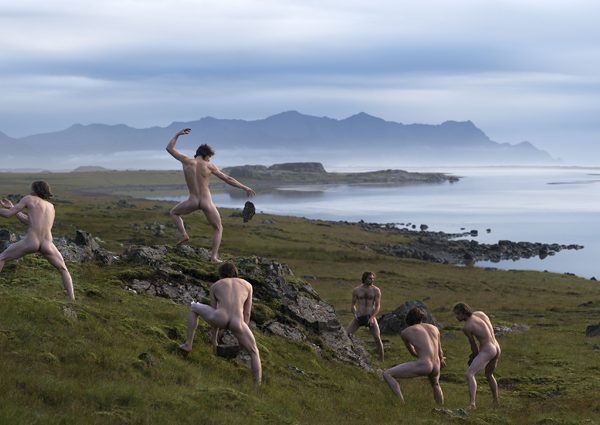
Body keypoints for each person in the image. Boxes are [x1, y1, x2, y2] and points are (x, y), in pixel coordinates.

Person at [166, 128, 255, 262]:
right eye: (209, 156)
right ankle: (213, 257)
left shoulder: (186, 161)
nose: (209, 159)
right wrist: (244, 187)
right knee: (218, 228)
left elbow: (169, 148)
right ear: (205, 155)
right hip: (206, 201)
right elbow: (227, 179)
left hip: (192, 200)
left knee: (174, 213)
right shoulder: (209, 166)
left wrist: (177, 134)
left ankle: (184, 234)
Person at [179, 262, 261, 385]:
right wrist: (242, 332)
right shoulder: (248, 285)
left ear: (221, 273)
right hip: (238, 321)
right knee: (254, 351)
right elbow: (247, 313)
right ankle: (257, 385)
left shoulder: (216, 285)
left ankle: (188, 344)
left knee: (194, 307)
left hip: (220, 317)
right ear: (235, 272)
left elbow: (214, 312)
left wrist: (214, 342)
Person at [0, 181, 75, 301]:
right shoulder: (51, 207)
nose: (30, 190)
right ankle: (72, 300)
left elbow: (8, 215)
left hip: (31, 241)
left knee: (2, 257)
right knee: (63, 269)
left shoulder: (29, 199)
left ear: (35, 189)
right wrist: (13, 208)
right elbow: (29, 221)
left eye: (31, 188)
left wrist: (11, 210)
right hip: (47, 243)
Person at [382, 307, 445, 404]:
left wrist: (422, 357)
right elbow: (440, 351)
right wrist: (441, 360)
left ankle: (401, 403)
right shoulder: (434, 328)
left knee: (387, 374)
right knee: (436, 384)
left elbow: (413, 352)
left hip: (424, 364)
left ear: (408, 319)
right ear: (421, 318)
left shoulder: (406, 332)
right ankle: (441, 407)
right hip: (436, 365)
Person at [453, 302, 501, 409]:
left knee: (470, 373)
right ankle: (496, 400)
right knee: (489, 374)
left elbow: (474, 346)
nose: (456, 317)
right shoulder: (480, 314)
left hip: (488, 349)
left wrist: (473, 358)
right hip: (496, 347)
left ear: (463, 312)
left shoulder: (467, 327)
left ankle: (472, 404)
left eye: (457, 314)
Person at [346, 271, 384, 361]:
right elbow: (353, 305)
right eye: (370, 278)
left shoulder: (376, 290)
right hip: (359, 316)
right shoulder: (356, 290)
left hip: (370, 316)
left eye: (373, 278)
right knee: (347, 334)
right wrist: (355, 314)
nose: (372, 280)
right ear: (365, 278)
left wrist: (372, 317)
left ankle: (381, 359)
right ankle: (349, 353)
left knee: (377, 338)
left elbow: (378, 306)